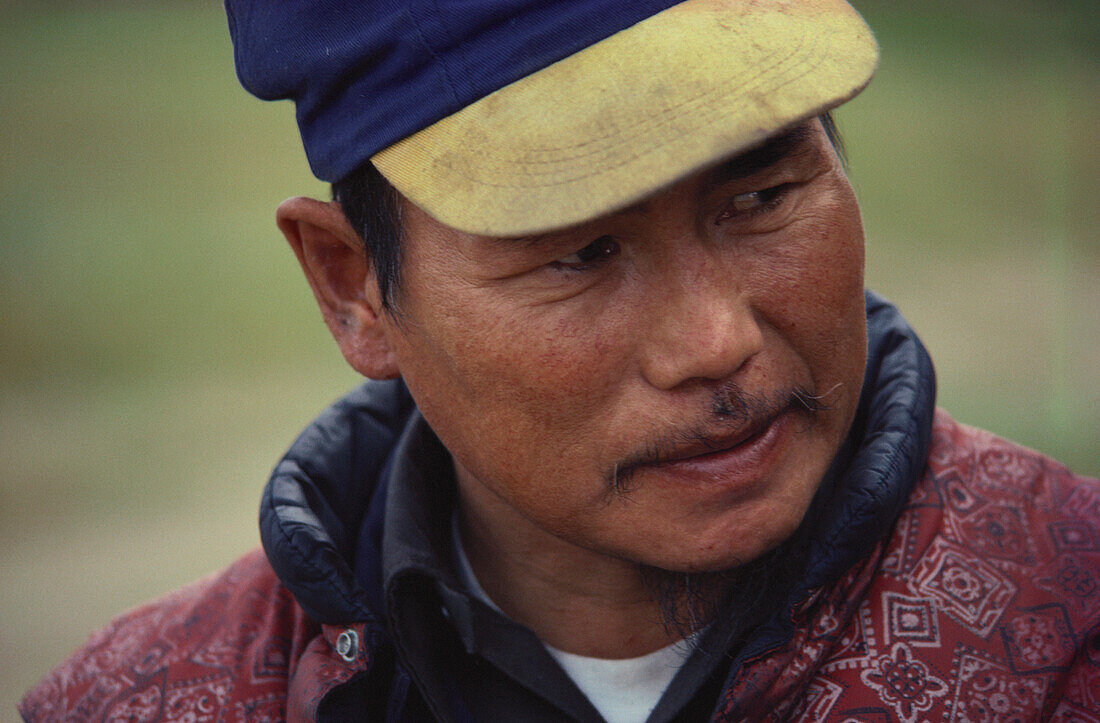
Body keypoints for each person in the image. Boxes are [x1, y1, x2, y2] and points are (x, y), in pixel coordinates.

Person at [20, 0, 1099, 720]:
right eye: (579, 254)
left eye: (763, 196)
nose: (713, 342)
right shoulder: (149, 699)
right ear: (352, 289)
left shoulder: (1070, 625)